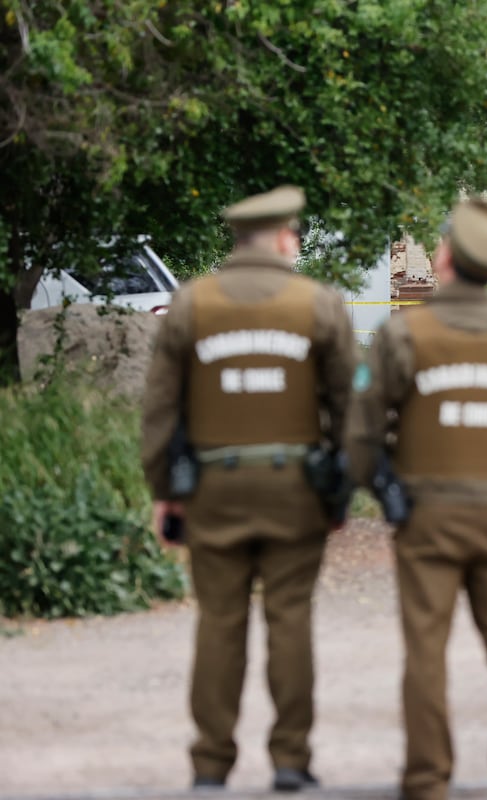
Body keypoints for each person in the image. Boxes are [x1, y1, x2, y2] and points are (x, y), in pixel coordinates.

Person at [141, 185, 357, 792]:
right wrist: (341, 486)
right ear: (285, 237)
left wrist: (166, 490)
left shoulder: (190, 305)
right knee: (290, 620)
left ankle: (211, 764)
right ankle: (291, 759)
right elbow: (348, 408)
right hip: (295, 489)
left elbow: (160, 411)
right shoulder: (318, 304)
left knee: (219, 623)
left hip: (213, 489)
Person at [345, 197, 487, 800]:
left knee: (425, 651)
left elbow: (362, 432)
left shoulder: (402, 333)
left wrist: (382, 491)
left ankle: (427, 780)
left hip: (426, 517)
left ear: (443, 258)